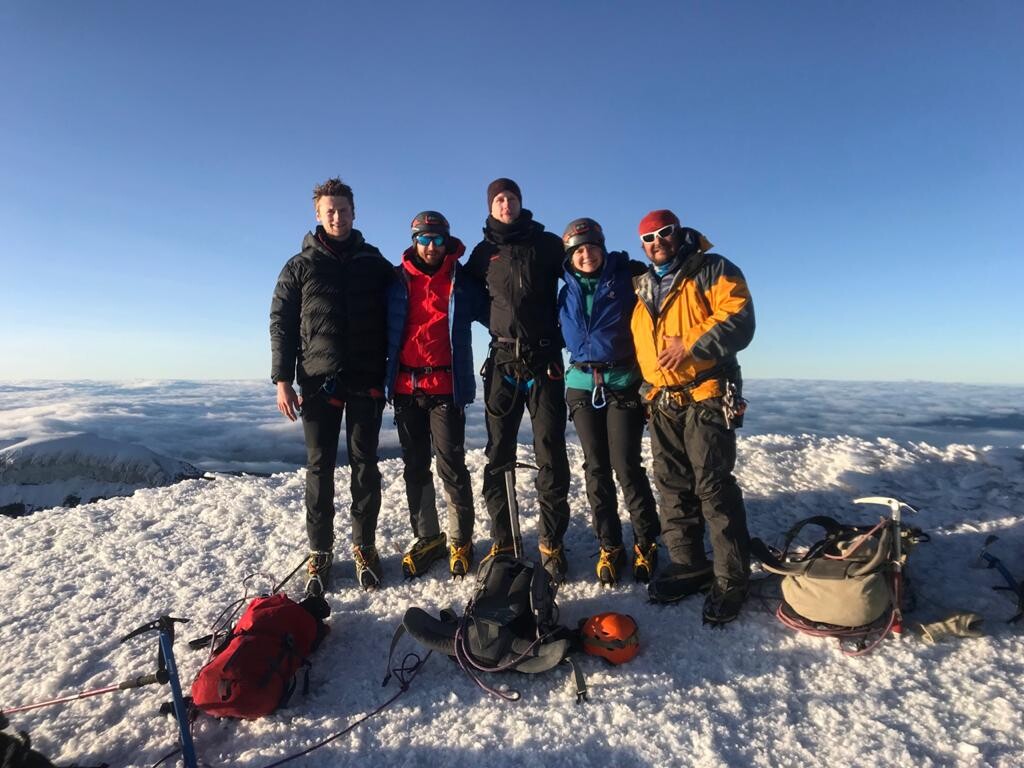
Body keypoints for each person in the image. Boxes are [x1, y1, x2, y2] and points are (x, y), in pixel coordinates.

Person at [630, 209, 755, 624]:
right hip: (664, 400)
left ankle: (731, 579)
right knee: (672, 485)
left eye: (664, 233)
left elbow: (740, 318)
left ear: (679, 232)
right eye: (648, 238)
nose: (657, 242)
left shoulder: (712, 269)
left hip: (707, 393)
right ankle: (689, 563)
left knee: (713, 487)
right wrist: (648, 385)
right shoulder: (644, 286)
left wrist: (692, 343)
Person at [270, 177, 394, 595]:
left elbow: (400, 312)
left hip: (366, 380)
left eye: (343, 209)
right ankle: (320, 552)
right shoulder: (299, 266)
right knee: (319, 469)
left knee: (365, 465)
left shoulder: (374, 263)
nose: (337, 216)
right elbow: (281, 324)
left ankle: (364, 546)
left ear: (354, 213)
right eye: (330, 211)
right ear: (318, 216)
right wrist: (282, 379)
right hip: (318, 382)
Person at [466, 178, 571, 583]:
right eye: (498, 199)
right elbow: (468, 295)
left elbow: (582, 273)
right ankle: (505, 540)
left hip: (544, 358)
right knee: (499, 453)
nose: (505, 203)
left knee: (550, 449)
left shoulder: (546, 245)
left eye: (511, 198)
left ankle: (551, 542)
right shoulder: (483, 253)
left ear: (521, 203)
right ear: (490, 207)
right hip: (503, 358)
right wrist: (493, 322)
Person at [558, 218, 661, 586]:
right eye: (578, 251)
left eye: (592, 248)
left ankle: (647, 541)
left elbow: (661, 288)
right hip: (581, 384)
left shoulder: (628, 278)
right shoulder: (565, 290)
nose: (586, 255)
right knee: (596, 467)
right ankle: (610, 544)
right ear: (570, 257)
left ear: (602, 248)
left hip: (622, 382)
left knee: (626, 464)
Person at [385, 211, 484, 579]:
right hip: (406, 388)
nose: (431, 246)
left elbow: (499, 311)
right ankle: (427, 536)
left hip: (445, 389)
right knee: (415, 467)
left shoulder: (461, 281)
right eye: (424, 239)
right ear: (414, 242)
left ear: (447, 243)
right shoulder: (396, 281)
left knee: (451, 466)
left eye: (438, 240)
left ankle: (460, 539)